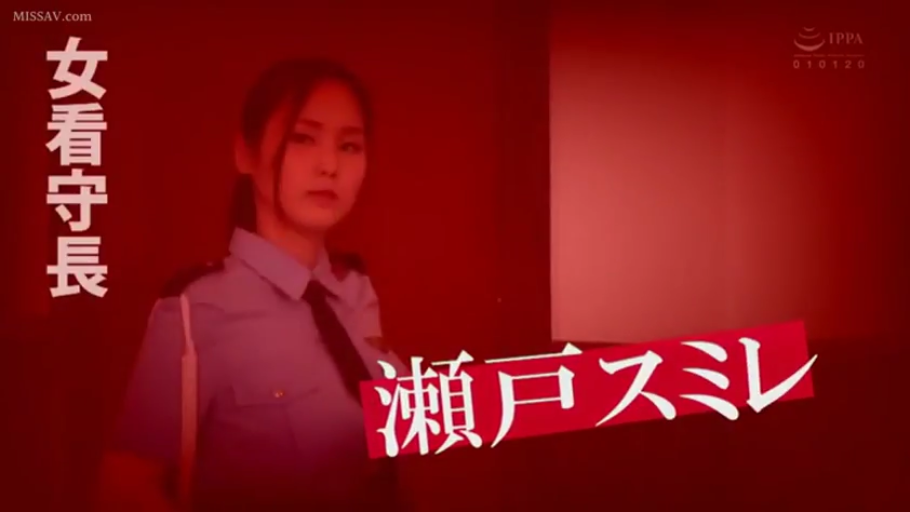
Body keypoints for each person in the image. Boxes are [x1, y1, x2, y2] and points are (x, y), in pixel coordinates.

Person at [97, 58, 411, 511]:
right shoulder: (196, 309)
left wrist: (517, 399)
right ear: (245, 153)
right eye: (303, 138)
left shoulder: (356, 292)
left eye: (349, 146)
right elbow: (124, 490)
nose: (329, 166)